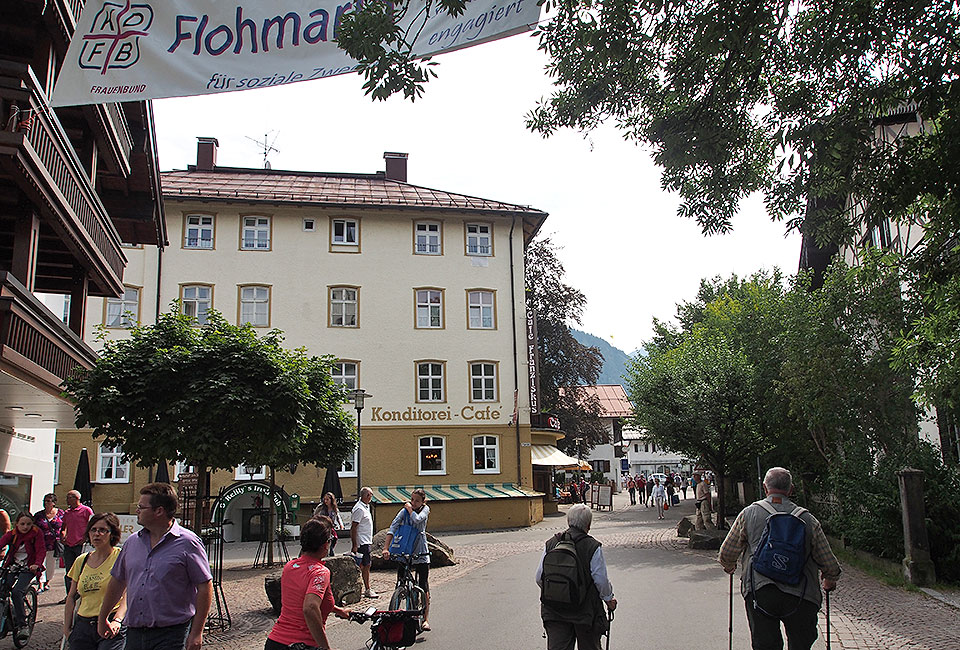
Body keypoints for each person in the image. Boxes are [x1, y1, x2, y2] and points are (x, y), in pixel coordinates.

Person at [718, 467, 841, 650]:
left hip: (761, 592)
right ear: (791, 489)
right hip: (802, 594)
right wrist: (830, 579)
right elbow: (830, 564)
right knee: (801, 643)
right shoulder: (808, 519)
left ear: (765, 488)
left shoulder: (749, 514)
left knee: (765, 644)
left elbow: (726, 553)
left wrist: (729, 566)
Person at [98, 483, 213, 650]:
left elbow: (204, 586)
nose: (137, 510)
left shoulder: (188, 543)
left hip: (171, 634)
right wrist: (103, 618)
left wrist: (197, 632)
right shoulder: (132, 542)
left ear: (159, 511)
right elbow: (117, 581)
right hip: (135, 633)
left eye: (141, 507)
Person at [536, 504, 616, 650]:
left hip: (554, 610)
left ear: (568, 521)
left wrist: (558, 592)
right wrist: (608, 599)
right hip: (585, 613)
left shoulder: (552, 543)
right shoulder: (592, 546)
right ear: (588, 524)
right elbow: (601, 580)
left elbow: (539, 577)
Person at [265, 517, 351, 650]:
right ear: (325, 544)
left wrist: (338, 610)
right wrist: (325, 647)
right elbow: (310, 607)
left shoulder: (290, 566)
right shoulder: (320, 572)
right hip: (303, 644)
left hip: (275, 642)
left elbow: (299, 598)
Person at [63, 513, 126, 650]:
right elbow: (72, 596)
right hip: (83, 625)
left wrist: (117, 620)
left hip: (110, 623)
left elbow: (128, 592)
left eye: (102, 530)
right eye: (93, 529)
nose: (97, 534)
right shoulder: (82, 560)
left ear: (112, 534)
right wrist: (67, 629)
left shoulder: (120, 557)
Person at [381, 487, 432, 631]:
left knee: (423, 585)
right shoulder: (403, 512)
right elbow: (393, 527)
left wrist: (410, 510)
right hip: (404, 550)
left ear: (423, 501)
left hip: (420, 551)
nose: (413, 503)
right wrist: (386, 548)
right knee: (401, 582)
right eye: (412, 500)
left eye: (417, 501)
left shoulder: (425, 510)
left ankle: (425, 619)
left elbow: (417, 520)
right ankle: (397, 610)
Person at [0, 512, 45, 642]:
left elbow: (41, 550)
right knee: (2, 589)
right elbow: (1, 543)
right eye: (22, 524)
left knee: (17, 592)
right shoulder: (12, 534)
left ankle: (22, 625)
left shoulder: (36, 533)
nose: (25, 527)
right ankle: (8, 617)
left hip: (29, 567)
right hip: (12, 565)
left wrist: (37, 564)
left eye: (28, 524)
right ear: (17, 524)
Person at [62, 490, 94, 600]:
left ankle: (82, 595)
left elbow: (92, 525)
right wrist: (63, 535)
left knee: (82, 570)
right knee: (69, 572)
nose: (67, 500)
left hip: (81, 545)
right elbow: (64, 527)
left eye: (69, 497)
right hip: (69, 545)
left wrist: (85, 538)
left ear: (76, 498)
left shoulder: (86, 510)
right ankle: (69, 596)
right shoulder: (67, 513)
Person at [351, 486, 377, 598]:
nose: (371, 497)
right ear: (367, 496)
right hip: (362, 542)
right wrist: (355, 545)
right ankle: (367, 588)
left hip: (366, 541)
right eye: (371, 495)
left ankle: (363, 587)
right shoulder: (359, 509)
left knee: (366, 565)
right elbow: (353, 527)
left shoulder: (365, 507)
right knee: (364, 565)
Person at [34, 492, 63, 592]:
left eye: (48, 501)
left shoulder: (61, 514)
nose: (45, 503)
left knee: (50, 564)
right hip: (40, 543)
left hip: (53, 544)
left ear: (54, 503)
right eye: (44, 501)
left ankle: (47, 582)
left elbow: (65, 527)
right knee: (40, 563)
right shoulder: (38, 515)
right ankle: (41, 584)